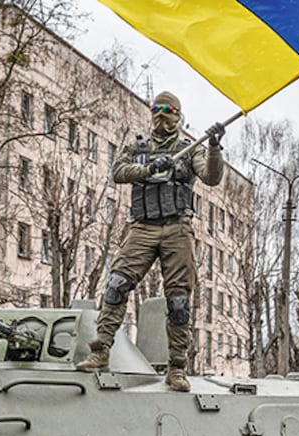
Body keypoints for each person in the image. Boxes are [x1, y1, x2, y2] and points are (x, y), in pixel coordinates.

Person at [76, 90, 225, 391]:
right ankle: (102, 350)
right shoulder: (138, 147)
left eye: (168, 110)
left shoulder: (190, 149)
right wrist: (148, 169)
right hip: (142, 227)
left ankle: (177, 367)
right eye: (156, 108)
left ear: (178, 115)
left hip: (176, 228)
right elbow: (117, 172)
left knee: (179, 301)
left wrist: (212, 147)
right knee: (117, 284)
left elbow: (211, 177)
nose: (161, 115)